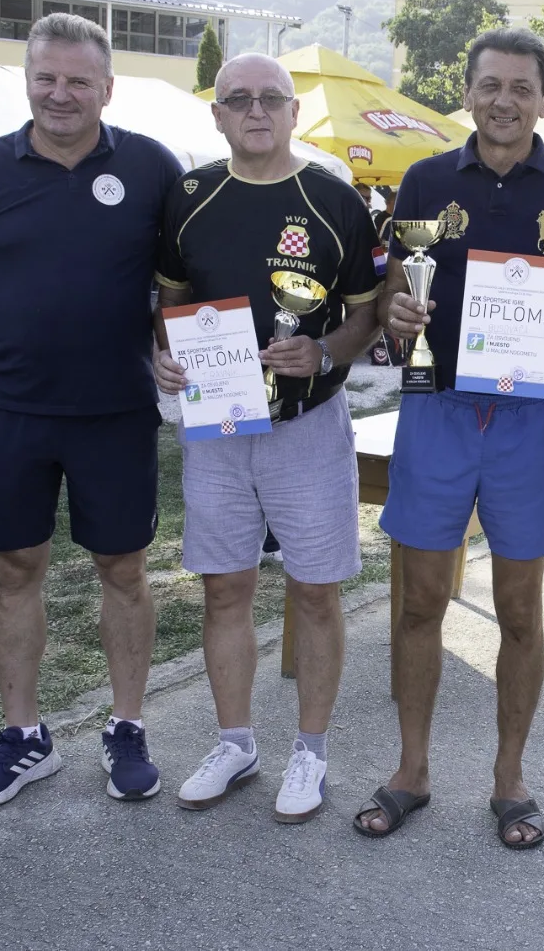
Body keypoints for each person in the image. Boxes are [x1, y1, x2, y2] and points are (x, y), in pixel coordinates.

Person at [0, 12, 183, 807]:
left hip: (117, 410)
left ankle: (127, 727)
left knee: (124, 570)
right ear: (27, 80)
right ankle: (25, 738)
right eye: (46, 78)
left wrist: (181, 352)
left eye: (77, 81)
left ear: (108, 88)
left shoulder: (151, 166)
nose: (60, 93)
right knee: (13, 569)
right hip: (12, 410)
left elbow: (181, 288)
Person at [365, 27, 544, 848]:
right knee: (419, 602)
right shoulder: (425, 180)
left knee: (518, 609)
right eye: (490, 85)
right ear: (467, 93)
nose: (504, 101)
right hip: (436, 406)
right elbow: (393, 294)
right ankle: (412, 770)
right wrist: (397, 312)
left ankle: (510, 779)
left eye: (521, 87)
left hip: (527, 416)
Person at [151, 53, 381, 820]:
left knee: (314, 590)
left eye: (271, 98)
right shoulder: (189, 196)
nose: (256, 110)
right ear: (217, 113)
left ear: (293, 112)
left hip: (306, 427)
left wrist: (324, 352)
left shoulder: (333, 199)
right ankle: (235, 743)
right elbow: (172, 301)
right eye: (239, 99)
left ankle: (310, 752)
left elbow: (366, 314)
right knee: (225, 586)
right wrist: (165, 354)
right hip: (217, 426)